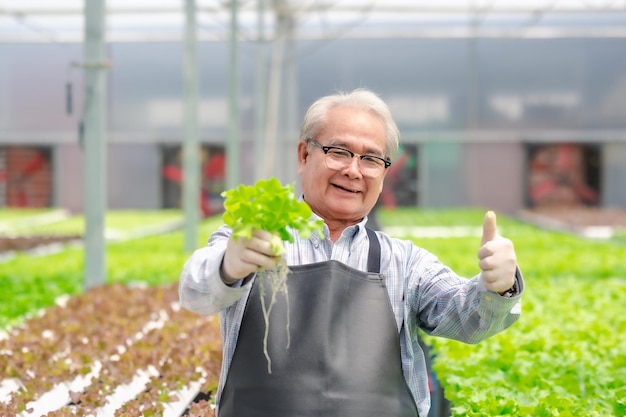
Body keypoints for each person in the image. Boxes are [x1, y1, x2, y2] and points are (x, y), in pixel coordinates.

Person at [179, 88, 524, 417]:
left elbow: (468, 319)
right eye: (339, 152)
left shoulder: (403, 262)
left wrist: (497, 287)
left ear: (385, 171)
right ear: (304, 155)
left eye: (371, 159)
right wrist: (229, 266)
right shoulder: (256, 240)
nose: (354, 170)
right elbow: (196, 293)